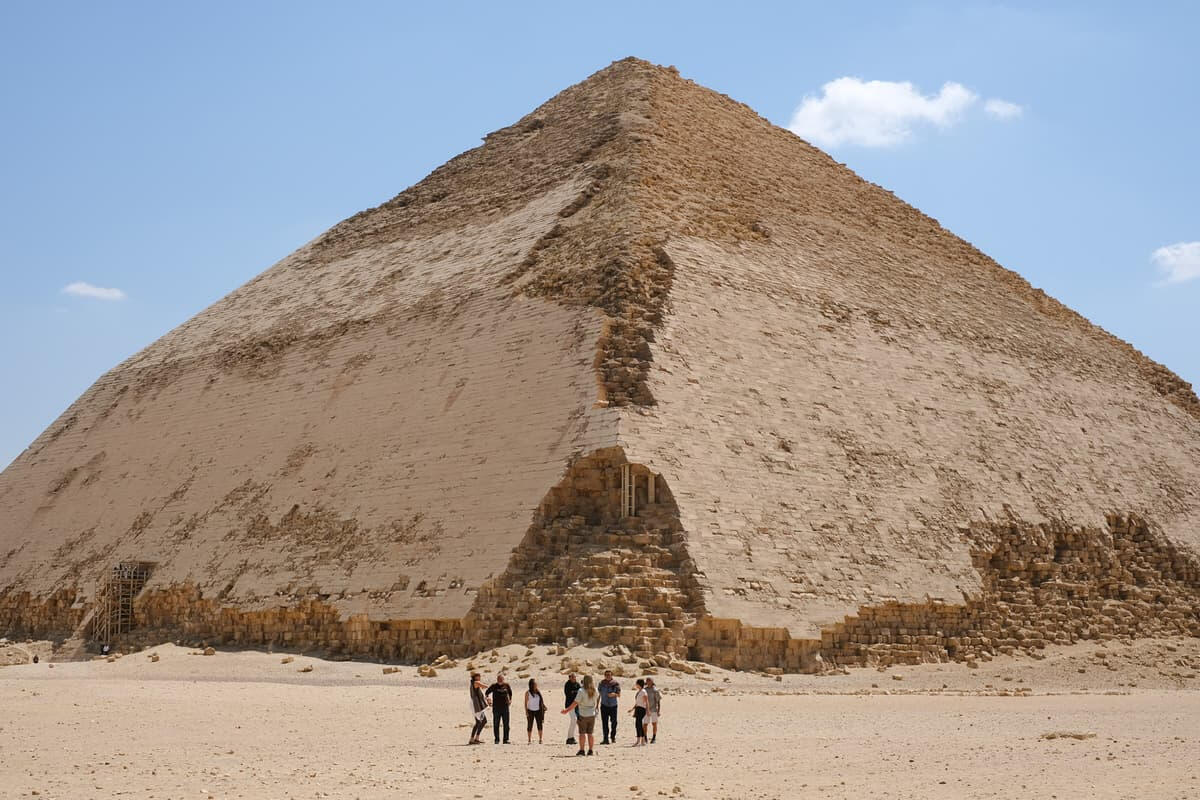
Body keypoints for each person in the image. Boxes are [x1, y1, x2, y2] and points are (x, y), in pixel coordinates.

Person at [562, 674, 600, 756]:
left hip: (583, 714)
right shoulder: (595, 690)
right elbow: (597, 698)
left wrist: (567, 710)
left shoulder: (581, 691)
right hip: (592, 714)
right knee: (590, 733)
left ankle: (582, 750)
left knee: (582, 733)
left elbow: (575, 703)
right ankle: (590, 750)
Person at [485, 673, 514, 744]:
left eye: (501, 679)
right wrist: (488, 700)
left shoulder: (507, 685)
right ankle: (497, 739)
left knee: (506, 724)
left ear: (503, 679)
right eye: (498, 679)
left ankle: (506, 739)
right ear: (497, 679)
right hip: (496, 708)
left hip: (505, 708)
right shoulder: (494, 686)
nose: (500, 680)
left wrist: (510, 700)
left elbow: (510, 693)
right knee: (496, 724)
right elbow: (486, 693)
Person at [598, 670, 621, 744]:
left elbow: (619, 694)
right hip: (604, 705)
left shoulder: (615, 683)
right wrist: (596, 705)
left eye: (609, 675)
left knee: (614, 722)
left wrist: (614, 694)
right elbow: (599, 694)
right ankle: (605, 739)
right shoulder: (601, 683)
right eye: (606, 675)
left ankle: (613, 736)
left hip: (613, 706)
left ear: (611, 675)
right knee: (604, 723)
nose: (608, 676)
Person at [468, 673, 488, 745]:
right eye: (479, 676)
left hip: (476, 704)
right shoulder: (475, 682)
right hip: (476, 704)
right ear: (476, 677)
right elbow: (484, 686)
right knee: (482, 721)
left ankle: (475, 738)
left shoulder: (473, 683)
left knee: (479, 722)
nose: (480, 678)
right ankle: (473, 739)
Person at [525, 678, 546, 744]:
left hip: (538, 711)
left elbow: (541, 701)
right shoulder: (527, 693)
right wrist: (526, 711)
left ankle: (540, 739)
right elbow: (525, 703)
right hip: (530, 711)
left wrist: (544, 706)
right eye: (535, 684)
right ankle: (529, 740)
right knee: (529, 725)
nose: (536, 685)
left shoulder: (538, 692)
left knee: (539, 725)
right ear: (532, 685)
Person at [629, 678, 649, 746]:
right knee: (638, 725)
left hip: (641, 709)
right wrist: (632, 709)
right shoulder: (639, 691)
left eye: (636, 683)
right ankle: (640, 740)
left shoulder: (643, 692)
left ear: (639, 684)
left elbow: (646, 702)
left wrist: (648, 710)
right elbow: (637, 702)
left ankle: (641, 740)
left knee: (639, 724)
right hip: (638, 708)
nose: (636, 685)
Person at [563, 672, 581, 745]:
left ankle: (571, 737)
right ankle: (569, 738)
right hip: (569, 705)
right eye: (573, 677)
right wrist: (576, 693)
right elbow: (569, 694)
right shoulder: (567, 685)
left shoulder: (577, 684)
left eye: (575, 677)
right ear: (569, 678)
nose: (574, 678)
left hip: (577, 705)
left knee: (575, 721)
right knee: (574, 719)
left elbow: (580, 693)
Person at [644, 677, 662, 744]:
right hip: (645, 709)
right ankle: (645, 737)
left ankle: (654, 738)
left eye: (649, 681)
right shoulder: (644, 690)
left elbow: (658, 701)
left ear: (652, 682)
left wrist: (659, 711)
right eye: (647, 680)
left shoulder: (655, 690)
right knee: (645, 724)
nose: (648, 682)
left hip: (654, 709)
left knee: (654, 723)